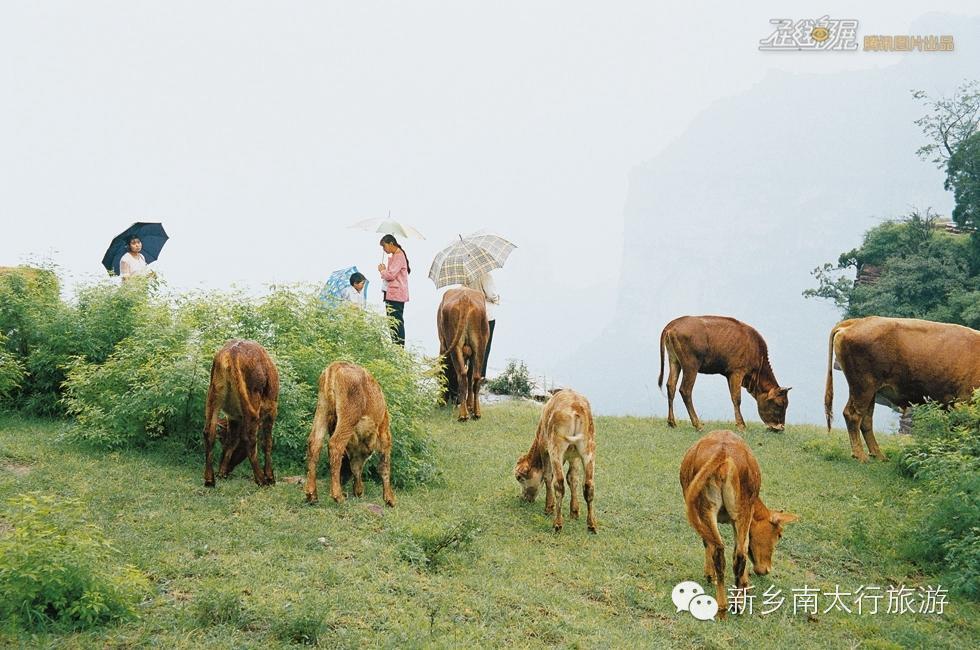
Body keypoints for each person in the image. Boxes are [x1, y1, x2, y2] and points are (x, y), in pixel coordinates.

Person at [463, 271, 499, 373]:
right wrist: (497, 299)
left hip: (468, 314)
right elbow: (492, 295)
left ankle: (467, 370)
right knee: (484, 347)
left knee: (468, 345)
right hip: (485, 315)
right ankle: (480, 374)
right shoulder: (486, 276)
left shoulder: (465, 276)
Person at [378, 234, 410, 345]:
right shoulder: (396, 256)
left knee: (396, 322)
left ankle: (398, 346)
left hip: (396, 295)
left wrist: (382, 270)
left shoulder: (399, 256)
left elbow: (390, 275)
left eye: (384, 246)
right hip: (392, 294)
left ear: (391, 244)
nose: (384, 249)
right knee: (393, 321)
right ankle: (396, 345)